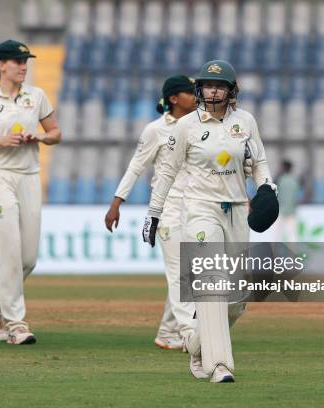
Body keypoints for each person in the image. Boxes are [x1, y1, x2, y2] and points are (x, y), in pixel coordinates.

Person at [143, 60, 275, 383]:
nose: (212, 91)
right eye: (207, 85)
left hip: (237, 211)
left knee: (237, 298)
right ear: (200, 89)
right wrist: (154, 213)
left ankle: (195, 343)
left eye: (219, 86)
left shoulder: (245, 121)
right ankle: (219, 365)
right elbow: (167, 173)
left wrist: (268, 188)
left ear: (231, 91)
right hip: (201, 210)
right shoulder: (186, 126)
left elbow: (258, 162)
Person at [0, 40, 61, 345]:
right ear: (1, 65)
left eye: (25, 61)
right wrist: (1, 141)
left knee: (28, 258)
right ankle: (16, 323)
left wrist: (41, 137)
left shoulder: (37, 95)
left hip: (29, 177)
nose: (23, 66)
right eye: (17, 61)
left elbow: (57, 133)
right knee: (9, 253)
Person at [105, 75, 197, 350]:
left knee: (191, 271)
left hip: (196, 208)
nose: (196, 96)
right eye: (190, 92)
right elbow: (136, 166)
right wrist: (116, 203)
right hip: (167, 209)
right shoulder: (155, 130)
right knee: (181, 273)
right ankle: (190, 335)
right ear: (173, 99)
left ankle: (168, 332)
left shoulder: (200, 126)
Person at [275, 160, 299, 242]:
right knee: (292, 235)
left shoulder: (280, 179)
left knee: (276, 234)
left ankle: (273, 253)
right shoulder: (294, 180)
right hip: (291, 210)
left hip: (280, 210)